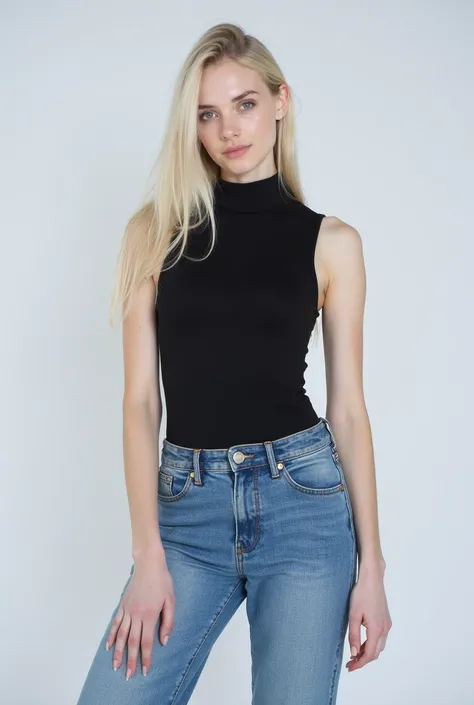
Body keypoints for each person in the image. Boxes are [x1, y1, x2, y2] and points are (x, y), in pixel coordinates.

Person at [77, 21, 391, 705]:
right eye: (208, 114)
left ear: (281, 100)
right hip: (187, 513)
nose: (230, 129)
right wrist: (147, 554)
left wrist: (373, 568)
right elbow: (139, 403)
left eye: (245, 103)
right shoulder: (153, 233)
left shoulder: (333, 243)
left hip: (304, 505)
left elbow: (348, 410)